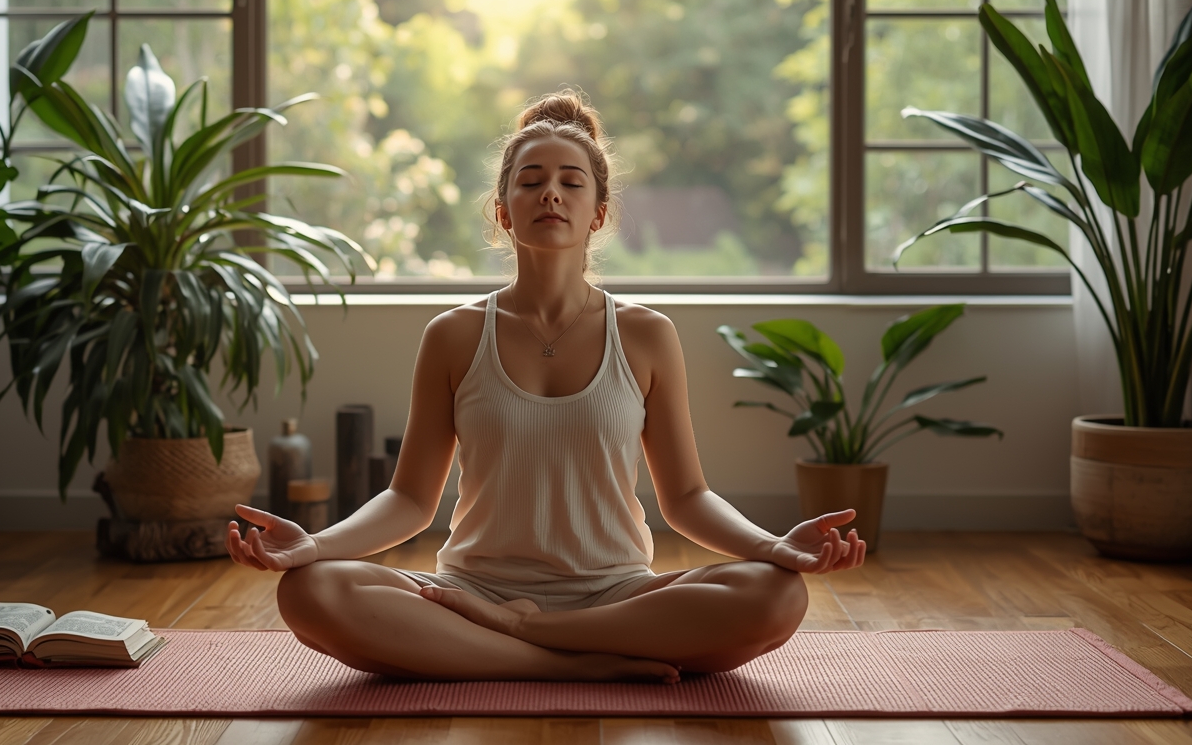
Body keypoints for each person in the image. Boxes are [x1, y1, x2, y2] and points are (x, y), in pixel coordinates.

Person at [226, 89, 866, 684]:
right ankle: (567, 665)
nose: (550, 194)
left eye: (571, 182)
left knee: (777, 592)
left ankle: (532, 637)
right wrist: (316, 545)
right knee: (310, 590)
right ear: (504, 212)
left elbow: (689, 496)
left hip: (616, 594)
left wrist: (772, 545)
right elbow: (410, 500)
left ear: (599, 212)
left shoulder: (646, 335)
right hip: (471, 596)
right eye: (530, 182)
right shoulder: (453, 334)